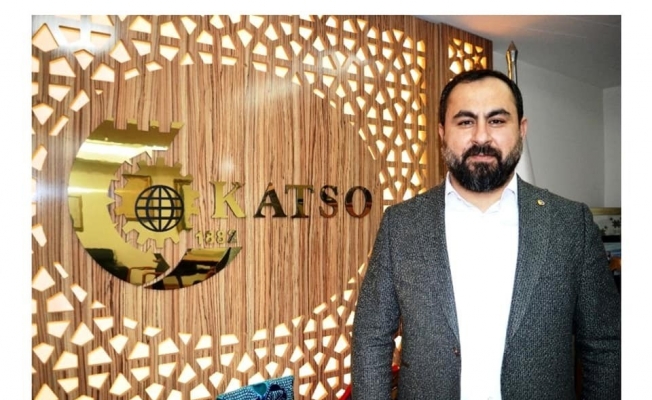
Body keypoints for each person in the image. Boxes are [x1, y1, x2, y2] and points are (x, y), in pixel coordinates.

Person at [351, 69, 620, 399]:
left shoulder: (570, 224)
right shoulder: (401, 224)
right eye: (465, 121)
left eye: (497, 120)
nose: (481, 136)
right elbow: (371, 337)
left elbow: (605, 343)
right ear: (442, 132)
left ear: (521, 129)